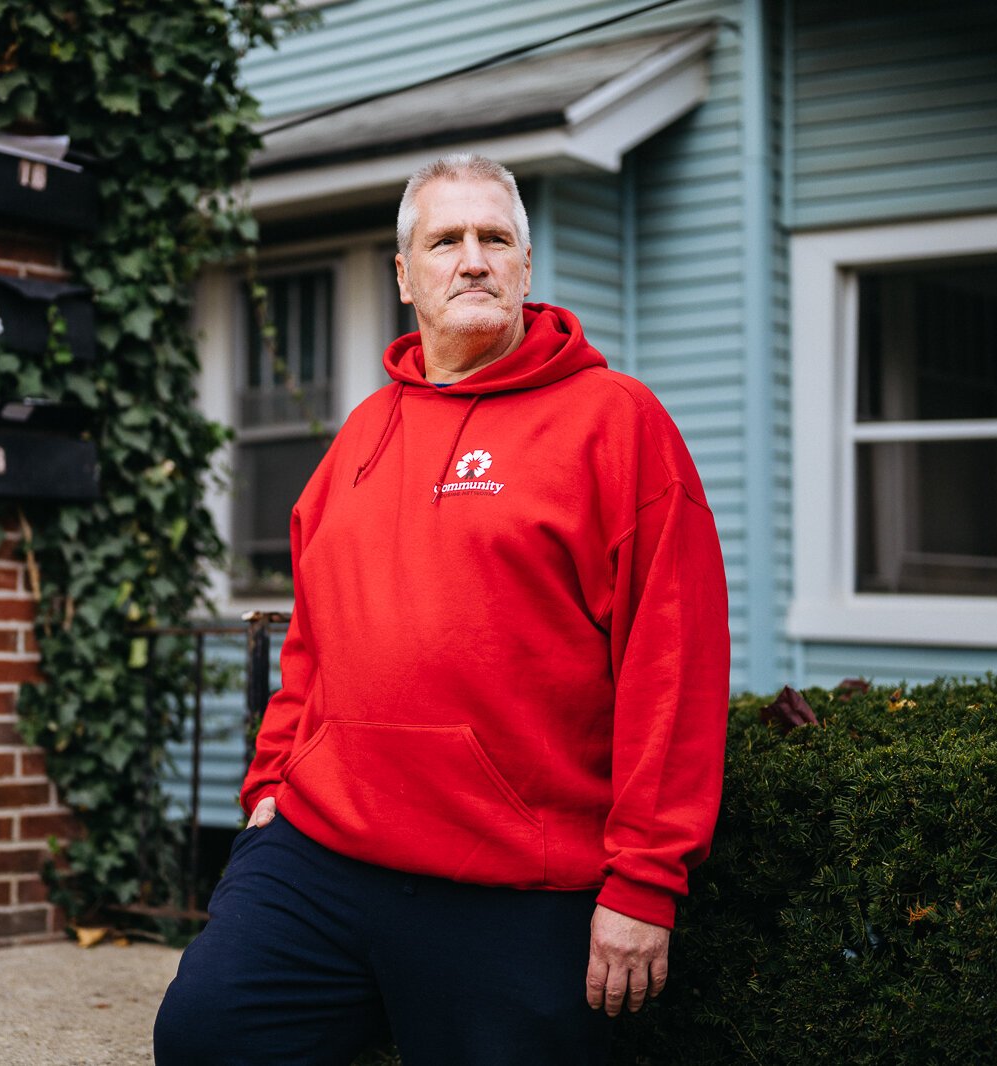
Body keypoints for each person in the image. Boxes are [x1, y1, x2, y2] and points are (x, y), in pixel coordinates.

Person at [155, 153, 730, 1066]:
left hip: (513, 880)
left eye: (494, 238)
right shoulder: (361, 433)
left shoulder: (615, 423)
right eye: (445, 240)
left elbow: (675, 667)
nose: (471, 260)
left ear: (525, 267)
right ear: (404, 275)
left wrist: (642, 883)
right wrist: (270, 781)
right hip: (321, 853)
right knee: (206, 1037)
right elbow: (312, 635)